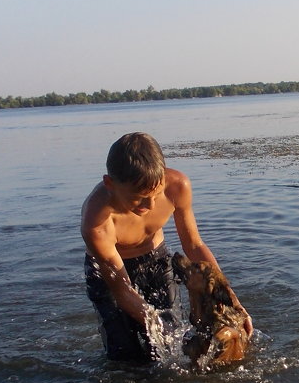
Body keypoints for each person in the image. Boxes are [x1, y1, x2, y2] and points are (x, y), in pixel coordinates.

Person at [81, 132, 252, 363]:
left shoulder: (177, 186)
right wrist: (155, 324)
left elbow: (194, 245)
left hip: (155, 260)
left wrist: (234, 303)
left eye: (156, 193)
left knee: (173, 349)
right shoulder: (96, 222)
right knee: (124, 357)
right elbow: (122, 291)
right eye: (138, 197)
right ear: (110, 184)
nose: (150, 205)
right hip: (109, 275)